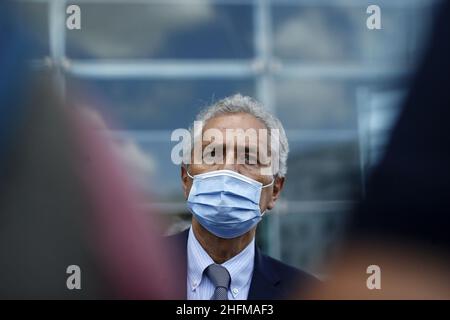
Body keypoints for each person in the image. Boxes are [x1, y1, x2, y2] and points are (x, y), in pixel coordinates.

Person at [168, 94, 319, 300]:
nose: (228, 169)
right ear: (186, 178)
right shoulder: (123, 272)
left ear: (275, 190)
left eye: (250, 158)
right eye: (212, 154)